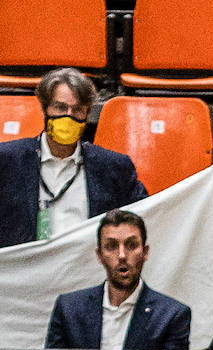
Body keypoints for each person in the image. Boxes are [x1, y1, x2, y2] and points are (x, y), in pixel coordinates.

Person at [0, 69, 146, 249]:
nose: (68, 116)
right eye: (60, 107)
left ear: (87, 114)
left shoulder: (114, 167)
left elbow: (146, 217)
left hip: (87, 271)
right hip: (28, 271)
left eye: (77, 110)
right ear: (45, 109)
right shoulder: (7, 161)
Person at [44, 209, 192, 350]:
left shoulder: (171, 315)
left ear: (145, 252)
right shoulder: (69, 309)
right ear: (100, 255)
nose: (122, 255)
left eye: (131, 245)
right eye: (111, 246)